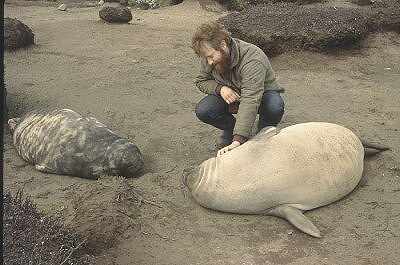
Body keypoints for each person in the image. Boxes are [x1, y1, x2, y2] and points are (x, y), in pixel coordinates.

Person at [191, 22, 285, 156]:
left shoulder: (252, 58)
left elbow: (251, 98)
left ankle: (263, 131)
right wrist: (220, 89)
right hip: (233, 95)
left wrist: (238, 140)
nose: (209, 62)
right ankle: (231, 128)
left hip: (260, 94)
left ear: (223, 45)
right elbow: (201, 80)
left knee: (275, 106)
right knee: (204, 110)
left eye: (211, 56)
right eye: (206, 58)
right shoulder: (209, 55)